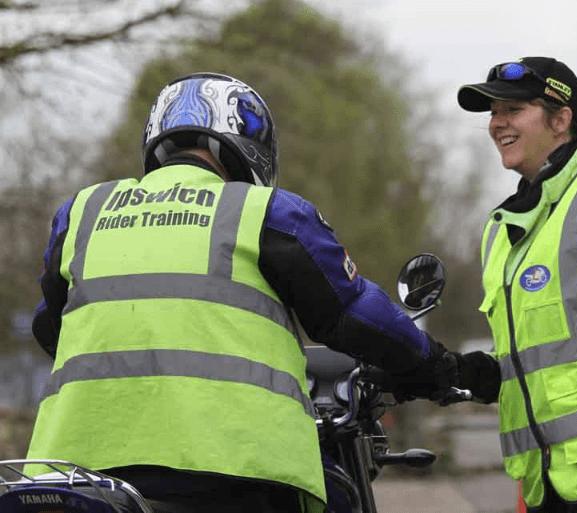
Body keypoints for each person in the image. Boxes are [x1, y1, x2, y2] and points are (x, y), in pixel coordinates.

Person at [25, 72, 452, 513]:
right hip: (231, 472)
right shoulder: (265, 212)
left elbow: (50, 327)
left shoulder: (81, 212)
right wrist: (433, 364)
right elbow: (352, 315)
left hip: (76, 474)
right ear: (252, 143)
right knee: (336, 497)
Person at [390, 57, 577, 512]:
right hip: (542, 480)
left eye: (513, 110)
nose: (497, 124)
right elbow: (534, 363)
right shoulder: (503, 229)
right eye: (493, 114)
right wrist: (462, 372)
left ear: (561, 119)